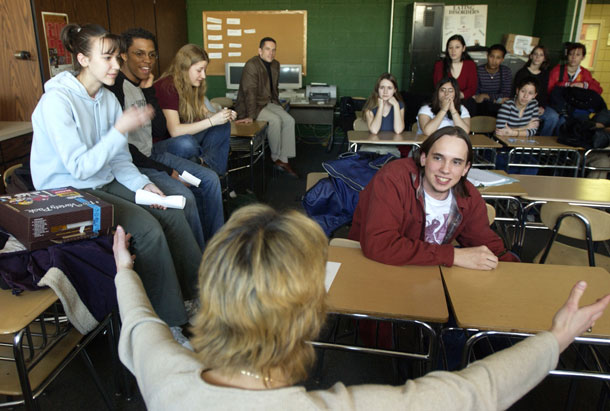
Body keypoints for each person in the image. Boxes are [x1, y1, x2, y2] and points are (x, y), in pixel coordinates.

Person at [113, 205, 610, 410]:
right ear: (310, 313)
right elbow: (472, 392)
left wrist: (123, 269)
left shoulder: (164, 378)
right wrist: (555, 339)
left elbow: (140, 322)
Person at [29, 23, 201, 344]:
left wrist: (142, 186)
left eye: (116, 59)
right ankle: (169, 322)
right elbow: (79, 167)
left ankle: (196, 296)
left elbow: (120, 159)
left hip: (102, 181)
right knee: (148, 231)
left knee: (172, 214)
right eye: (107, 58)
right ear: (82, 59)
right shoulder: (56, 102)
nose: (115, 66)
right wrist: (119, 129)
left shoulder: (107, 99)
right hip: (68, 194)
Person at [105, 28, 224, 249]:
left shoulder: (142, 85)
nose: (147, 60)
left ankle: (216, 245)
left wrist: (149, 92)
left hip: (151, 153)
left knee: (209, 180)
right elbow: (125, 151)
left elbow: (158, 129)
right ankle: (199, 258)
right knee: (185, 196)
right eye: (139, 54)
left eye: (151, 55)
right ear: (123, 55)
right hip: (137, 163)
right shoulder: (115, 90)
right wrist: (166, 171)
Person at [348, 126, 518, 268]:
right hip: (374, 267)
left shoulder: (468, 194)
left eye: (456, 162)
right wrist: (453, 256)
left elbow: (485, 242)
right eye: (438, 158)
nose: (445, 169)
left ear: (466, 169)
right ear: (423, 158)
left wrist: (514, 270)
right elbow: (379, 245)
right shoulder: (393, 179)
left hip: (427, 272)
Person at [154, 44, 235, 176]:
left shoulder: (192, 84)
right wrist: (213, 121)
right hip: (161, 145)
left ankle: (208, 167)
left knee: (223, 124)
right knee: (187, 143)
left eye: (205, 70)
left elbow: (205, 113)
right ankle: (204, 167)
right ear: (184, 68)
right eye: (199, 70)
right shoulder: (167, 86)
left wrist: (221, 115)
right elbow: (175, 131)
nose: (203, 76)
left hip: (181, 137)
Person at [235, 37, 298, 178]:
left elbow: (274, 87)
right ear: (260, 51)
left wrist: (278, 104)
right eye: (267, 49)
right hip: (251, 105)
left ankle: (284, 159)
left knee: (289, 120)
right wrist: (250, 116)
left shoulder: (275, 64)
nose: (271, 53)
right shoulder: (251, 65)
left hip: (268, 102)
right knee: (275, 120)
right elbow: (249, 92)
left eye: (273, 49)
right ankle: (276, 158)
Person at [513, 45, 559, 136]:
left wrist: (542, 106)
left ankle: (542, 144)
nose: (538, 57)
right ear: (531, 56)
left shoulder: (545, 74)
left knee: (553, 116)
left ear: (544, 58)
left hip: (537, 106)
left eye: (541, 55)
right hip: (522, 105)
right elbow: (516, 93)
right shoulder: (522, 72)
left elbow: (544, 93)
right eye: (535, 54)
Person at [465, 44, 512, 117]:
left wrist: (485, 96)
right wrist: (496, 100)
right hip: (481, 107)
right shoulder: (478, 71)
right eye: (492, 56)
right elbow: (477, 96)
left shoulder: (506, 71)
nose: (494, 61)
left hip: (498, 108)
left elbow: (506, 95)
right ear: (487, 56)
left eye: (498, 58)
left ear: (502, 59)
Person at [433, 34, 477, 100]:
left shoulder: (470, 65)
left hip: (463, 100)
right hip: (444, 100)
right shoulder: (439, 65)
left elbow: (473, 88)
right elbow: (438, 86)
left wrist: (461, 95)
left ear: (463, 48)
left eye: (457, 47)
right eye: (450, 47)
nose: (453, 51)